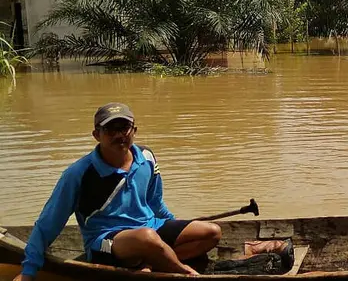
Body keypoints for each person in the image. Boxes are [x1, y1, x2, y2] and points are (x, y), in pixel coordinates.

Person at [14, 103, 221, 280]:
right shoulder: (79, 173)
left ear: (134, 130)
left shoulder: (147, 157)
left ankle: (152, 262)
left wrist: (175, 227)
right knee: (147, 239)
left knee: (211, 233)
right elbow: (48, 224)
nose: (119, 135)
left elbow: (155, 203)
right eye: (110, 130)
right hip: (104, 241)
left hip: (148, 229)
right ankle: (182, 271)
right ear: (97, 135)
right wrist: (29, 271)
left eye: (124, 128)